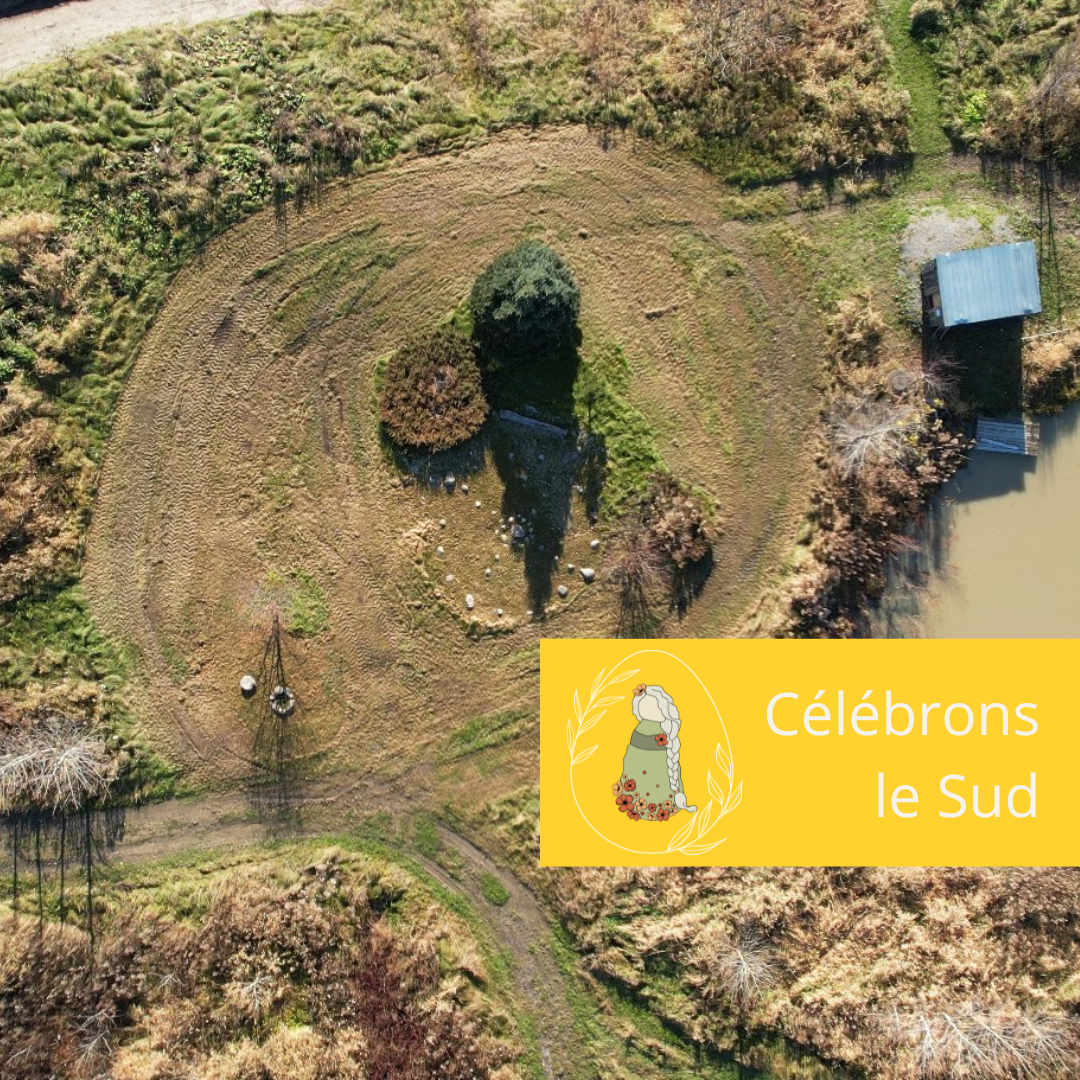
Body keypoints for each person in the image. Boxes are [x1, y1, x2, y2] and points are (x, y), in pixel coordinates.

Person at [612, 683, 697, 822]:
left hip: (661, 773)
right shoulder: (642, 729)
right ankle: (640, 808)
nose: (649, 710)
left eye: (654, 706)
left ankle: (658, 809)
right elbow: (632, 753)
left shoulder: (664, 732)